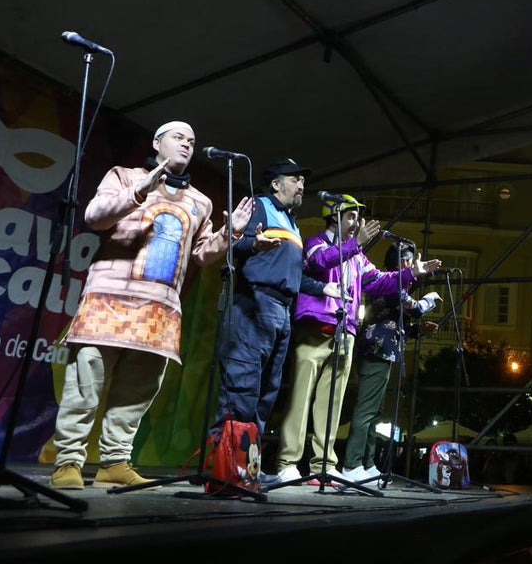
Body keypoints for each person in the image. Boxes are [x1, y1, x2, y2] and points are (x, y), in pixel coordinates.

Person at [49, 121, 257, 490]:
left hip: (159, 310)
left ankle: (115, 461)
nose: (187, 144)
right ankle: (68, 461)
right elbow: (95, 217)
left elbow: (202, 256)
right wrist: (139, 190)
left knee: (136, 393)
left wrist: (231, 233)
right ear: (157, 143)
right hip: (108, 300)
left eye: (192, 140)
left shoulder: (200, 201)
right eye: (179, 137)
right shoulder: (124, 175)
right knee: (85, 387)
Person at [211, 159, 340, 451]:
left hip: (282, 311)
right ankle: (225, 462)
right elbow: (234, 245)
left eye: (303, 181)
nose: (302, 186)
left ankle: (248, 462)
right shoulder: (259, 206)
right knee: (243, 382)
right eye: (295, 180)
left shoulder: (291, 223)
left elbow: (292, 274)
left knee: (268, 389)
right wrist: (254, 245)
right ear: (276, 184)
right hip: (255, 304)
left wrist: (323, 287)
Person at [273, 193, 383, 483]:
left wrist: (410, 274)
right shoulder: (315, 242)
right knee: (300, 398)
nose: (356, 222)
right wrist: (355, 244)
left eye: (357, 217)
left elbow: (378, 280)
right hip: (315, 328)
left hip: (344, 332)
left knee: (332, 403)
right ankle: (288, 461)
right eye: (350, 216)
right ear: (333, 216)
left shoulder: (357, 253)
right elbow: (321, 261)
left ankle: (324, 464)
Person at [341, 240, 442, 483]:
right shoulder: (389, 283)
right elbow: (413, 307)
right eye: (408, 261)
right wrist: (430, 299)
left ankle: (366, 463)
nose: (410, 265)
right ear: (401, 262)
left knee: (374, 412)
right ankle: (352, 464)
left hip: (381, 351)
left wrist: (417, 331)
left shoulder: (390, 283)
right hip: (376, 352)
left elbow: (395, 321)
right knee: (367, 410)